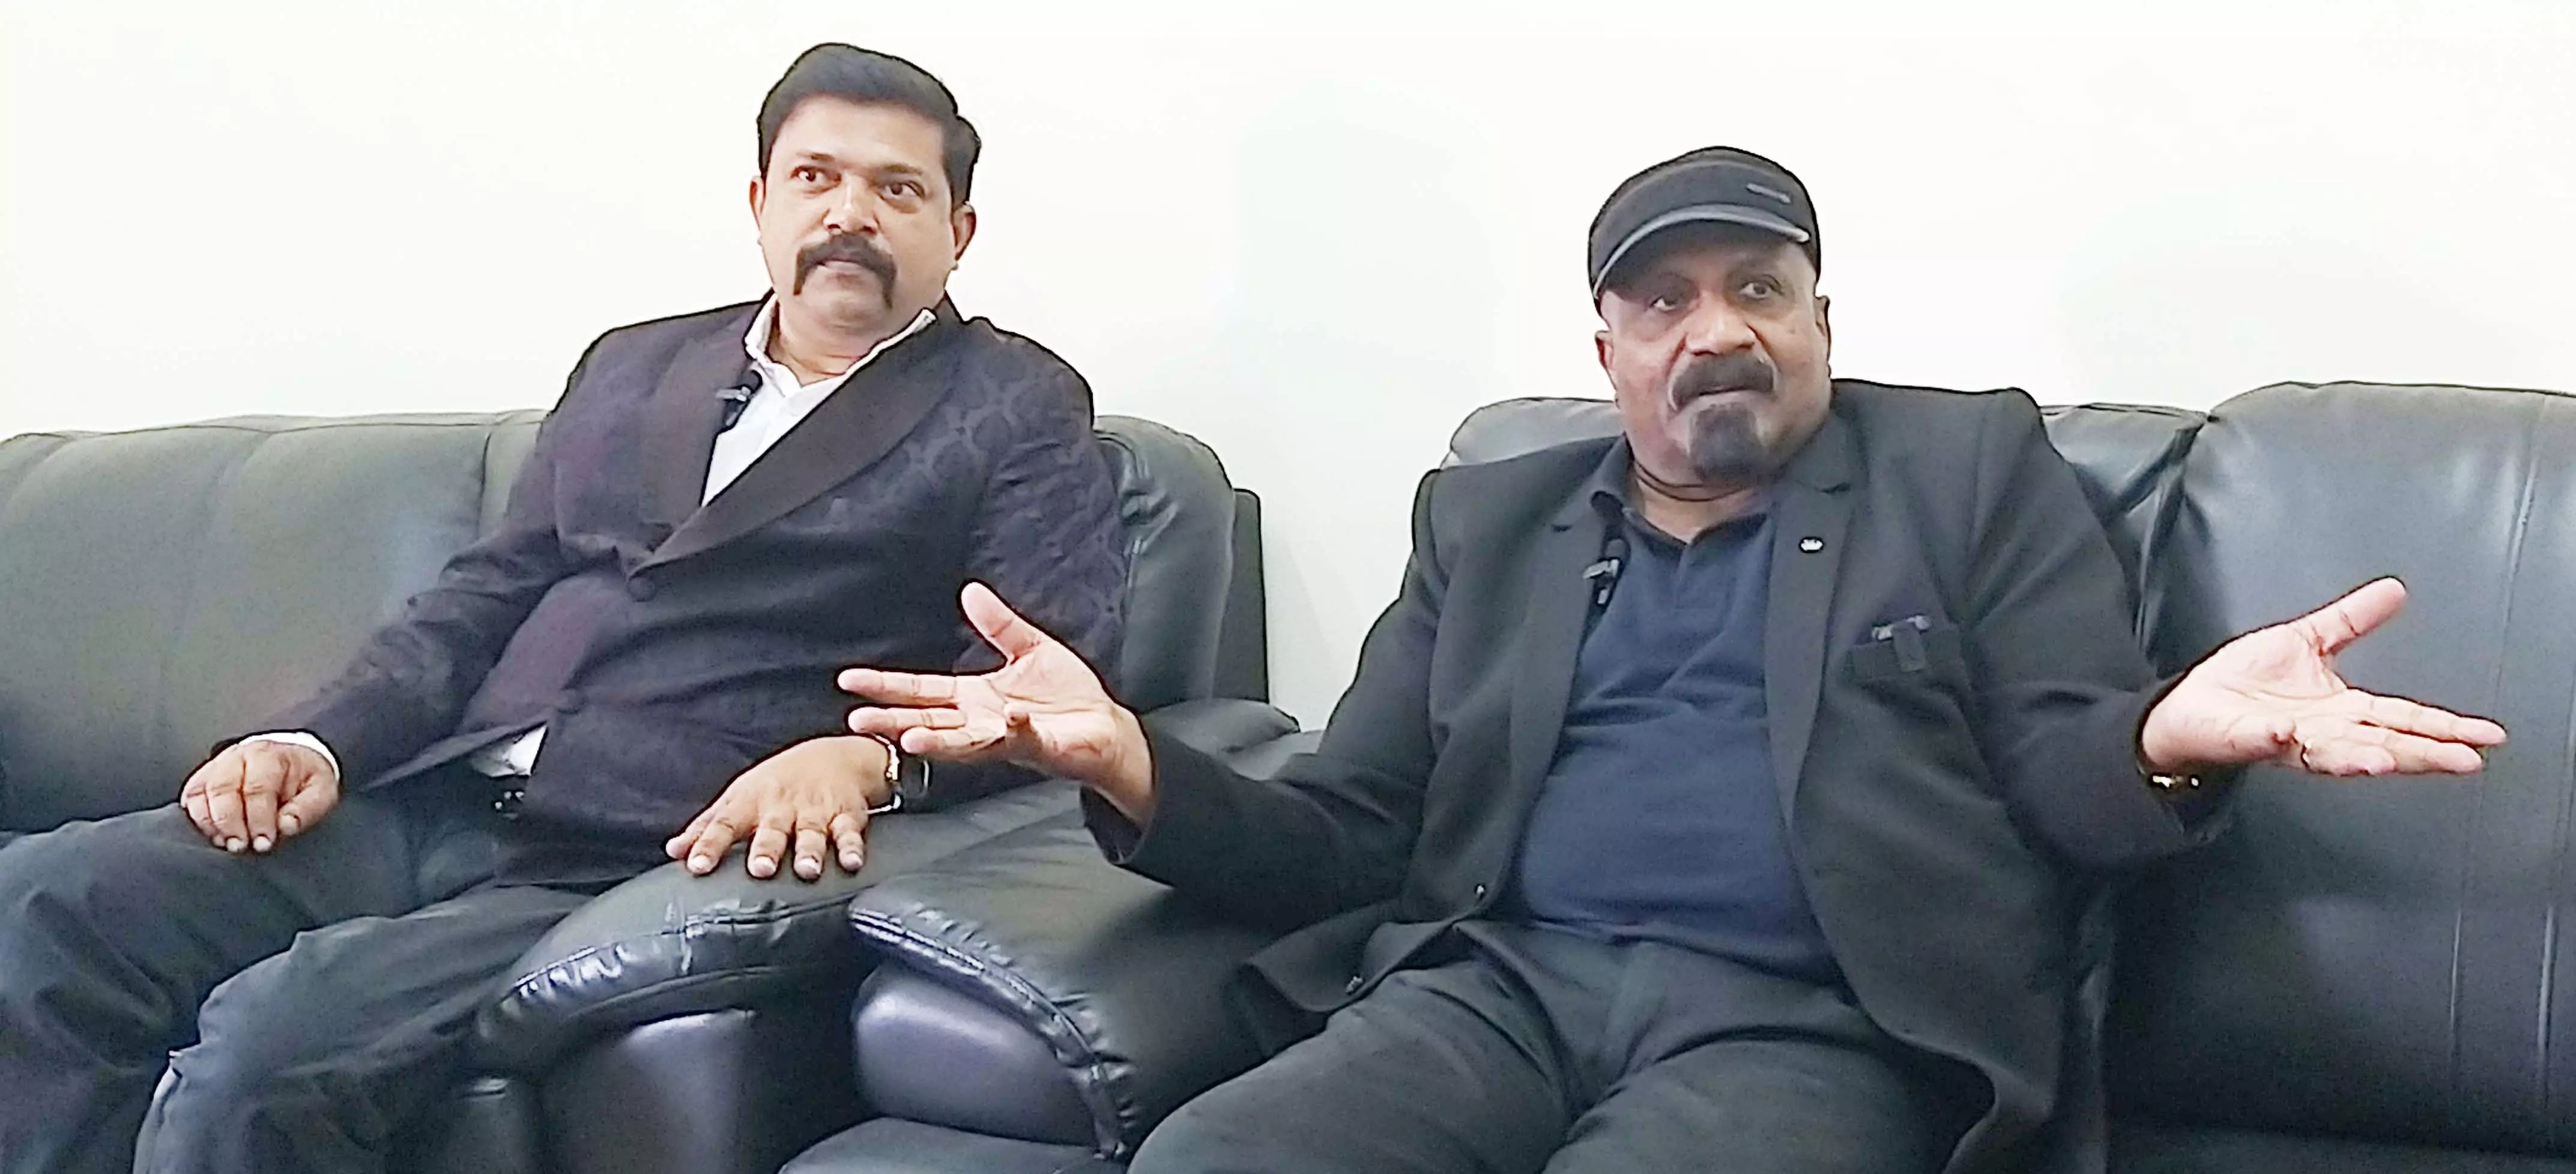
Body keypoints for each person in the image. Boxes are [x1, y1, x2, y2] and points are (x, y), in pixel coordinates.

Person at [839, 147, 2507, 1173]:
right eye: (1663, 301)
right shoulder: (1488, 517)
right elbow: (1356, 826)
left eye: (1758, 287)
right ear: (1609, 350)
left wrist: (2176, 732)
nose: (1717, 328)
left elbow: (2066, 763)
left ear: (1821, 323)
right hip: (1499, 990)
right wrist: (1127, 756)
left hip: (1816, 1023)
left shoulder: (1967, 471)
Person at [0, 43, 1126, 1174]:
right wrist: (317, 740)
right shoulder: (634, 363)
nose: (849, 214)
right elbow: (485, 593)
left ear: (957, 232)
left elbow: (1037, 679)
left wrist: (862, 761)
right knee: (47, 901)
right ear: (759, 202)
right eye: (815, 177)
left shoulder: (1014, 403)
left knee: (268, 1050)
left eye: (897, 189)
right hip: (434, 791)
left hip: (633, 849)